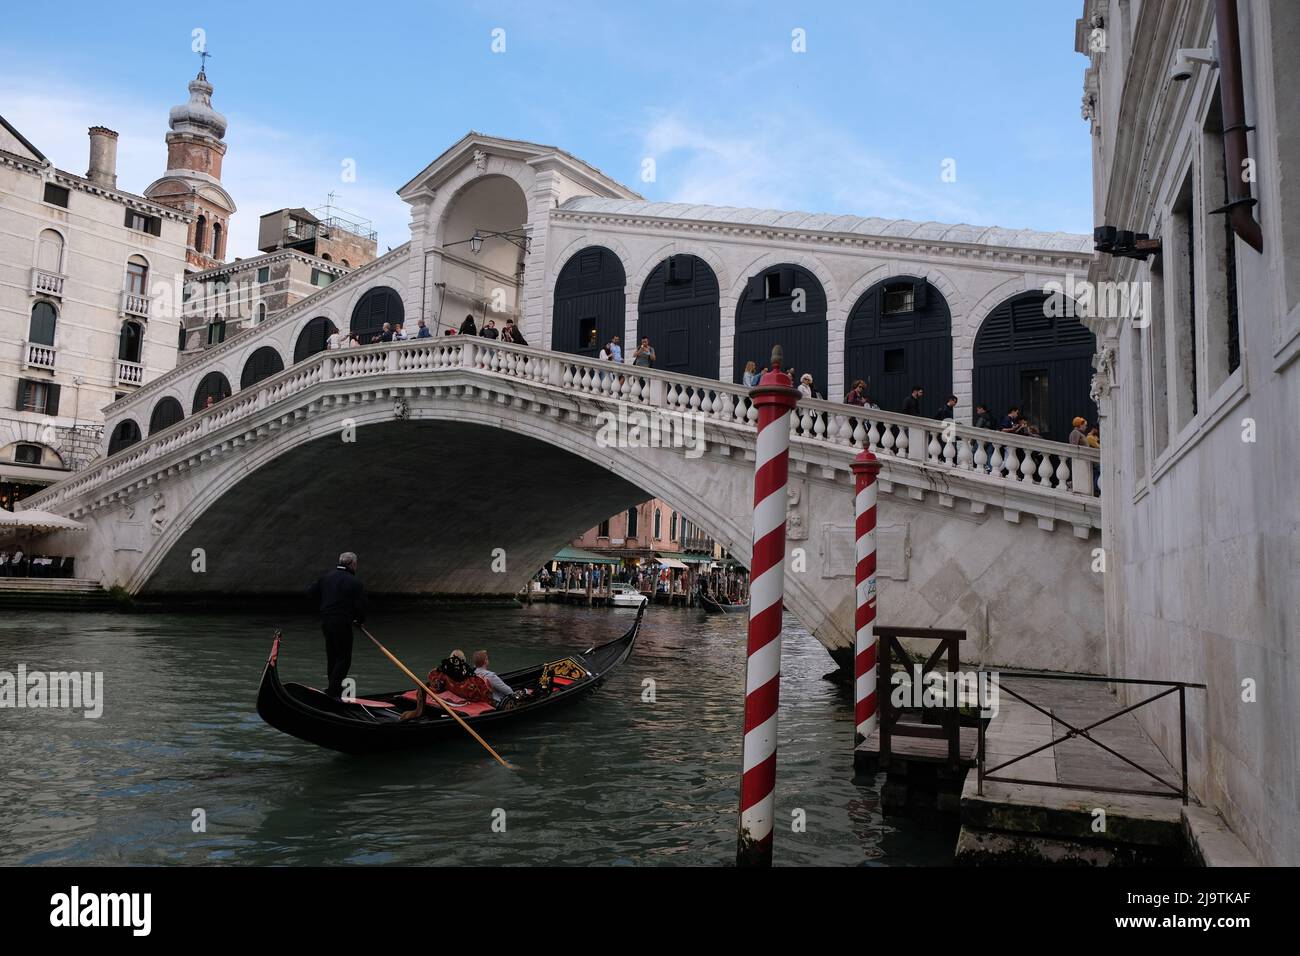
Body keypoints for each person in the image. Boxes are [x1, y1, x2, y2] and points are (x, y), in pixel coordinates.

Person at [307, 551, 367, 700]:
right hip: (342, 622)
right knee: (344, 657)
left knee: (332, 654)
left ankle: (332, 687)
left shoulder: (326, 577)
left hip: (326, 621)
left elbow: (309, 593)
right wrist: (359, 620)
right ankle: (334, 690)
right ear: (353, 564)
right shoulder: (355, 583)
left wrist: (325, 606)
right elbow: (360, 606)